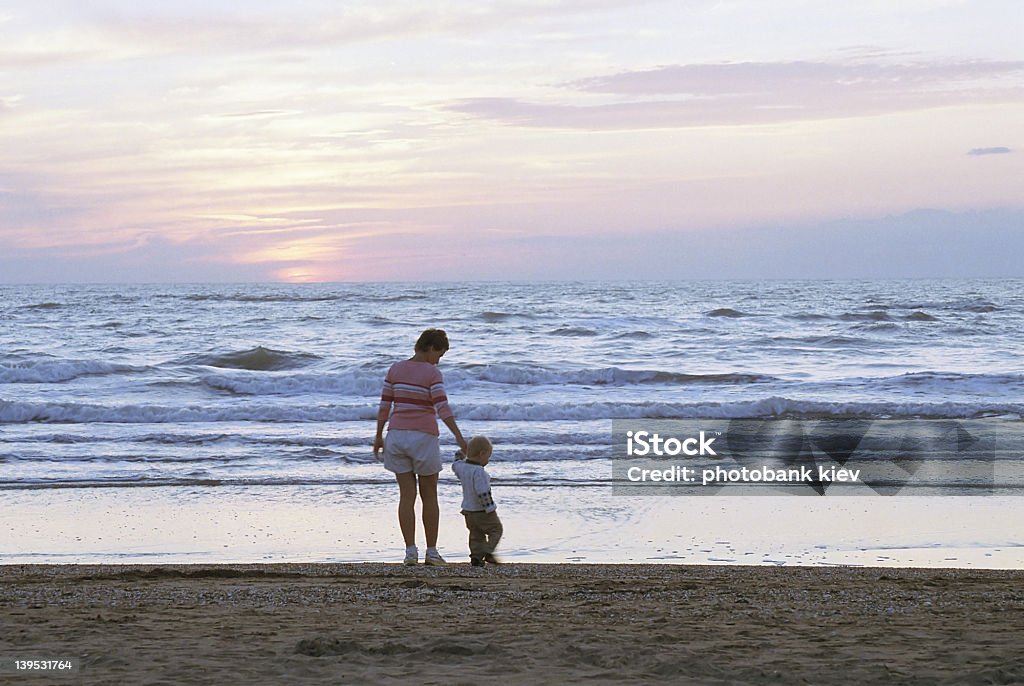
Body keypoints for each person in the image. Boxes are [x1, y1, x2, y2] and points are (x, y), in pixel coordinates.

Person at [374, 328, 468, 566]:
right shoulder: (432, 373)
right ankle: (432, 552)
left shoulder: (395, 369)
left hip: (396, 436)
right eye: (440, 354)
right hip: (423, 438)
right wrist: (459, 438)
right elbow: (442, 408)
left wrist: (378, 435)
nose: (439, 360)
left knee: (406, 496)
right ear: (430, 348)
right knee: (429, 495)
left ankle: (410, 552)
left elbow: (385, 406)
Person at [452, 435, 503, 567]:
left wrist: (461, 452)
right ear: (482, 454)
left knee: (476, 535)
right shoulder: (479, 472)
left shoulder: (462, 468)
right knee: (496, 529)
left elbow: (455, 464)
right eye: (488, 457)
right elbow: (482, 491)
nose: (488, 460)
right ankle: (488, 551)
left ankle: (476, 557)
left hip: (468, 511)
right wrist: (490, 508)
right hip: (481, 510)